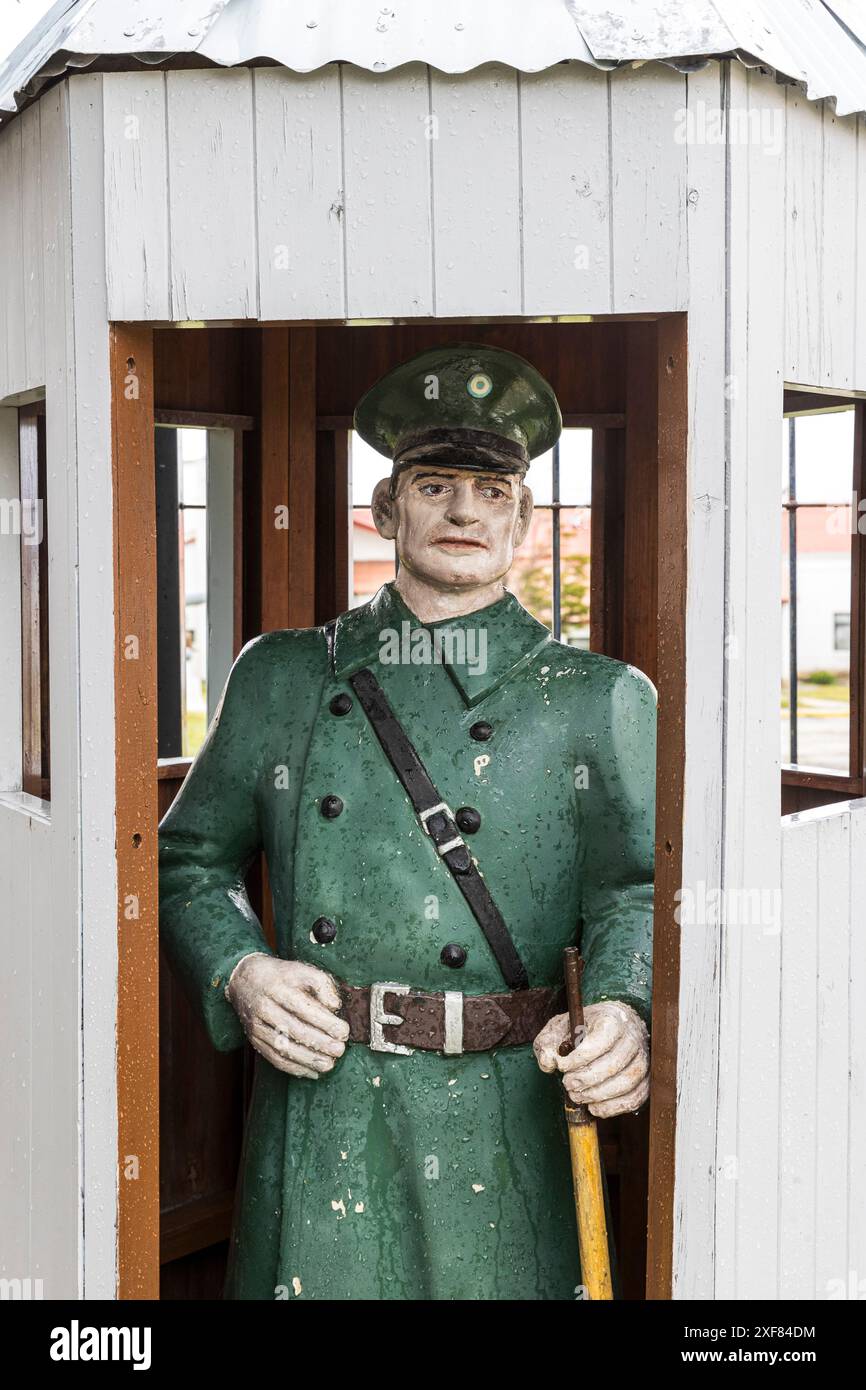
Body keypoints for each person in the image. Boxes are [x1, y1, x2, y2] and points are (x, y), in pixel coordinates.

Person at [159, 343, 656, 1300]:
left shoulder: (598, 699)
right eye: (434, 485)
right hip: (327, 1105)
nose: (465, 511)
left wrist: (625, 1013)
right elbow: (187, 863)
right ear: (386, 510)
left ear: (525, 520)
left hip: (514, 1114)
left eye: (491, 489)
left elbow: (633, 889)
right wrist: (242, 971)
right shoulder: (283, 675)